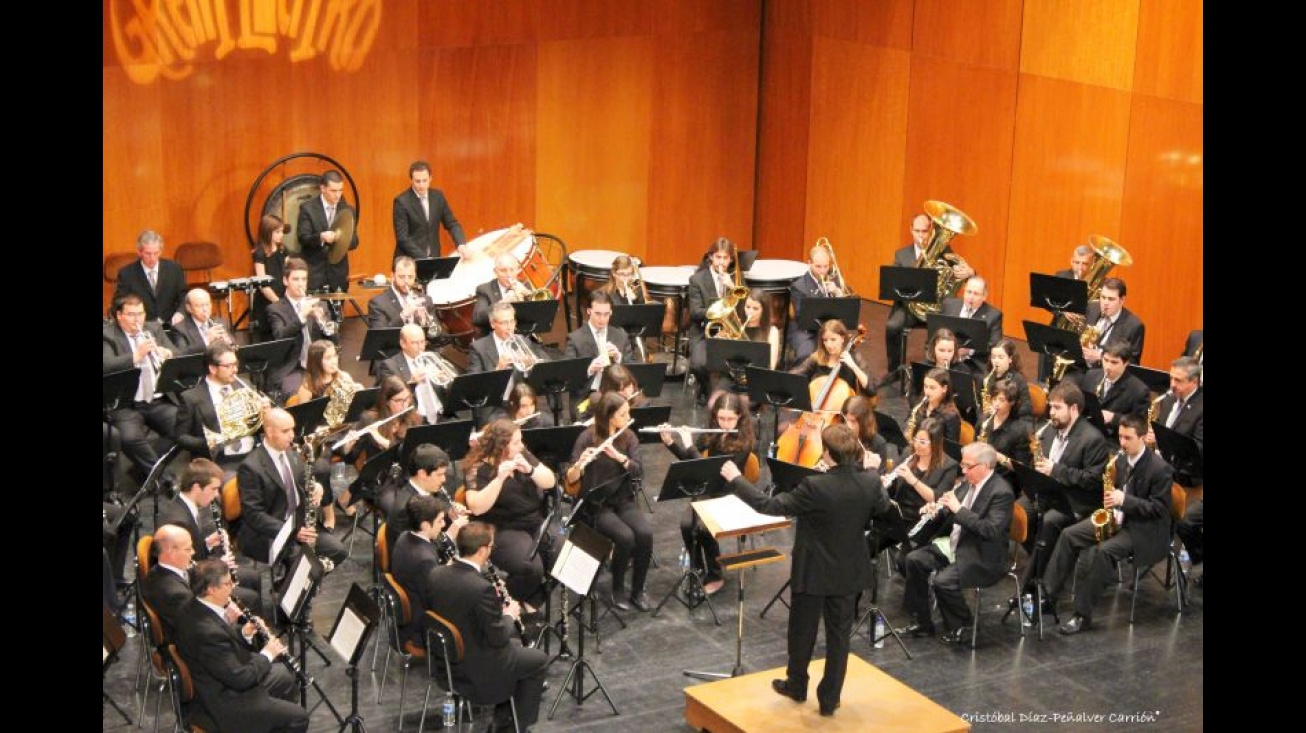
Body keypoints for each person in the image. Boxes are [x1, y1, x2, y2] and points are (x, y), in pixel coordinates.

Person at [721, 423, 893, 717]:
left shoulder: (815, 486)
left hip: (813, 570)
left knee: (802, 632)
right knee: (839, 638)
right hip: (848, 570)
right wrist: (873, 471)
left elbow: (769, 505)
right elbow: (882, 507)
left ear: (827, 453)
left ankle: (797, 685)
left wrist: (737, 479)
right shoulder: (870, 482)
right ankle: (829, 700)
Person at [1040, 415, 1172, 634]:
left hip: (1142, 528)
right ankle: (1048, 596)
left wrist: (1124, 500)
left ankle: (1082, 615)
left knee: (1104, 551)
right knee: (1069, 535)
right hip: (1115, 518)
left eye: (1128, 438)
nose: (1122, 442)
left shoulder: (1160, 469)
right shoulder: (1120, 460)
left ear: (1142, 438)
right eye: (1120, 436)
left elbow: (1159, 509)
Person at [421, 521, 550, 733]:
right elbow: (499, 637)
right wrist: (509, 615)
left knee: (519, 647)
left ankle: (504, 714)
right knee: (538, 660)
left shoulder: (437, 573)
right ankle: (514, 727)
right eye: (491, 548)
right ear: (481, 551)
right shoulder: (480, 588)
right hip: (476, 669)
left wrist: (492, 607)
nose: (491, 552)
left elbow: (463, 608)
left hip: (445, 660)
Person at [172, 559, 309, 733]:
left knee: (284, 677)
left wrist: (244, 633)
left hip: (217, 679)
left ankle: (268, 720)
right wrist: (267, 653)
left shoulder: (193, 606)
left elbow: (222, 645)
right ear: (211, 589)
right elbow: (240, 679)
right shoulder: (207, 632)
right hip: (224, 703)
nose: (233, 587)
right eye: (228, 583)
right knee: (298, 717)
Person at [899, 442, 1014, 645]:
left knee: (943, 581)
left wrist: (958, 510)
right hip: (956, 541)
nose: (963, 470)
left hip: (982, 552)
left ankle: (964, 626)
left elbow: (990, 530)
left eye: (967, 466)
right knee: (913, 559)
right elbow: (950, 509)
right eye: (963, 465)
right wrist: (936, 509)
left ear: (985, 467)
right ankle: (922, 622)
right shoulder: (968, 483)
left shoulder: (1001, 492)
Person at [1015, 382, 1110, 605]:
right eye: (1051, 407)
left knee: (1050, 522)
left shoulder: (1092, 439)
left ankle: (1040, 590)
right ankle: (1044, 565)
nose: (1052, 413)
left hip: (1076, 500)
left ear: (1074, 409)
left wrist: (1055, 470)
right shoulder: (1049, 429)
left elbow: (1093, 480)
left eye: (1057, 408)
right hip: (1048, 492)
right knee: (1018, 511)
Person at [660, 392, 757, 595]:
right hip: (709, 489)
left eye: (730, 419)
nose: (725, 423)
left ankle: (715, 574)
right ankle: (698, 569)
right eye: (721, 418)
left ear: (740, 416)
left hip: (730, 494)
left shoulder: (744, 442)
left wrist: (689, 444)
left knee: (703, 528)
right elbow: (691, 460)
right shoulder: (712, 431)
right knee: (687, 524)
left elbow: (718, 471)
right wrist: (670, 442)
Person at [565, 391, 652, 611]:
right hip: (597, 504)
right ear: (610, 416)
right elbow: (570, 479)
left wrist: (621, 458)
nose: (627, 416)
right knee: (624, 536)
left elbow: (639, 471)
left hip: (623, 499)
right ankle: (617, 589)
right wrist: (581, 464)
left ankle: (638, 590)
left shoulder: (628, 437)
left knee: (644, 533)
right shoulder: (587, 438)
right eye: (623, 414)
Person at [235, 408, 348, 569]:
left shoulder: (292, 453)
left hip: (300, 522)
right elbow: (254, 515)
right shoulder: (251, 467)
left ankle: (298, 587)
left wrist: (317, 486)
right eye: (285, 431)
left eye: (292, 429)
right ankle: (293, 587)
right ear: (270, 432)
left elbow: (304, 478)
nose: (292, 435)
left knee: (338, 552)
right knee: (301, 563)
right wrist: (292, 532)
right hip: (272, 530)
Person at [463, 418, 558, 607]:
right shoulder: (477, 468)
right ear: (500, 446)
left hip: (535, 521)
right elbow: (476, 506)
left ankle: (533, 600)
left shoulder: (521, 453)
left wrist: (530, 470)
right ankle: (503, 605)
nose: (521, 445)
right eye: (516, 442)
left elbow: (550, 482)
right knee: (531, 568)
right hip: (503, 528)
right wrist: (498, 480)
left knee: (567, 556)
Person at [156, 457, 263, 611]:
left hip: (200, 567)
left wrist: (207, 543)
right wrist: (221, 565)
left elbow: (192, 552)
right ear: (196, 487)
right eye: (213, 489)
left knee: (254, 577)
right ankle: (240, 630)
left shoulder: (187, 507)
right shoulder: (179, 521)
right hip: (193, 585)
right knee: (251, 598)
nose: (216, 495)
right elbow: (186, 568)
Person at [884, 213, 973, 385]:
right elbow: (894, 286)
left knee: (939, 333)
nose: (920, 235)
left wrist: (970, 272)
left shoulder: (944, 251)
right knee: (892, 326)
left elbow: (962, 273)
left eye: (924, 231)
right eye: (917, 231)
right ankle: (894, 370)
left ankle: (931, 373)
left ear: (930, 231)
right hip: (908, 308)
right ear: (911, 230)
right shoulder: (901, 255)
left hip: (935, 308)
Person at [103, 293, 179, 479]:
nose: (138, 319)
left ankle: (142, 470)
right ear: (119, 315)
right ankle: (165, 478)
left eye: (141, 313)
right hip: (126, 405)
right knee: (129, 438)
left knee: (184, 427)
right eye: (131, 314)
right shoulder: (107, 335)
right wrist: (136, 355)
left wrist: (166, 352)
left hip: (157, 400)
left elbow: (176, 353)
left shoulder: (153, 328)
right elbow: (106, 365)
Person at [874, 417, 960, 559]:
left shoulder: (949, 465)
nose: (917, 445)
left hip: (921, 519)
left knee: (904, 561)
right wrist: (887, 482)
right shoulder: (909, 453)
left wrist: (913, 480)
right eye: (915, 439)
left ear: (935, 443)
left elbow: (938, 499)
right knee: (869, 544)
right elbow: (894, 487)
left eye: (923, 442)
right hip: (897, 514)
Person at [390, 493, 466, 648]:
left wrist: (452, 532)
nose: (443, 524)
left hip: (411, 605)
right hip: (421, 626)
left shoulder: (406, 536)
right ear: (425, 525)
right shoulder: (424, 560)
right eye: (440, 521)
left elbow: (431, 549)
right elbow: (434, 599)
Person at [265, 257, 334, 398]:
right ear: (285, 281)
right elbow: (280, 335)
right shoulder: (275, 309)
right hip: (292, 368)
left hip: (319, 365)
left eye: (304, 279)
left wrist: (322, 321)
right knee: (302, 395)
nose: (301, 284)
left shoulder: (319, 305)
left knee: (342, 390)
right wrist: (301, 316)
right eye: (296, 279)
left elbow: (334, 340)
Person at [563, 291, 633, 419]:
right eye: (598, 314)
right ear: (589, 311)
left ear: (611, 312)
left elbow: (633, 372)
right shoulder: (575, 339)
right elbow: (567, 377)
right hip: (588, 396)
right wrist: (589, 370)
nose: (602, 319)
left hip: (618, 395)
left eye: (606, 314)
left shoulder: (621, 336)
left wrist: (619, 359)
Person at [686, 238, 739, 405]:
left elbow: (747, 306)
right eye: (718, 257)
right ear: (711, 257)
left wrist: (732, 288)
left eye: (725, 258)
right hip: (704, 331)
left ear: (731, 259)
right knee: (700, 363)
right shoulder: (697, 280)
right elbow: (695, 312)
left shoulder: (736, 279)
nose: (721, 262)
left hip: (730, 331)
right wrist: (719, 313)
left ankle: (726, 395)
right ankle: (708, 390)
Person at [375, 323, 456, 424]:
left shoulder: (433, 357)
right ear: (403, 343)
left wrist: (445, 381)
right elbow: (385, 396)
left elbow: (452, 386)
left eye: (422, 342)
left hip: (442, 414)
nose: (420, 347)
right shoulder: (389, 366)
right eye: (415, 343)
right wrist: (411, 382)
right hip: (415, 420)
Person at [467, 302, 547, 400]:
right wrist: (498, 369)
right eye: (504, 323)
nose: (509, 327)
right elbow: (472, 386)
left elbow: (541, 374)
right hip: (495, 402)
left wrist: (529, 367)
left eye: (512, 321)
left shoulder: (524, 341)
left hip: (521, 401)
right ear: (493, 324)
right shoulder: (478, 347)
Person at [385, 444, 453, 559]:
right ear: (422, 474)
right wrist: (451, 534)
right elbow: (416, 551)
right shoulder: (404, 509)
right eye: (439, 474)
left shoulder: (430, 491)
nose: (444, 479)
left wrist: (450, 514)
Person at [296, 169, 358, 294]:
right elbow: (302, 237)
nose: (338, 195)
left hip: (338, 274)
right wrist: (321, 237)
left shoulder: (348, 210)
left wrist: (341, 238)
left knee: (337, 313)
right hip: (315, 273)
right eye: (333, 190)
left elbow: (355, 242)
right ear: (323, 188)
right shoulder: (307, 208)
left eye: (340, 190)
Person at [785, 242, 847, 366]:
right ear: (809, 263)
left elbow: (847, 305)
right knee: (805, 355)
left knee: (847, 352)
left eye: (826, 266)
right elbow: (801, 316)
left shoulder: (834, 280)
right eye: (818, 266)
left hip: (830, 329)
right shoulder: (799, 286)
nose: (823, 271)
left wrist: (836, 291)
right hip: (806, 330)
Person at [1145, 356, 1203, 488]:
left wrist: (1162, 439)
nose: (1172, 385)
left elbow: (1199, 449)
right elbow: (1160, 425)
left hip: (1186, 474)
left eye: (1178, 380)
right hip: (1163, 462)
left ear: (1194, 381)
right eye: (1171, 378)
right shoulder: (1169, 398)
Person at [392, 160, 466, 261]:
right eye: (417, 181)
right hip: (409, 262)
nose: (421, 185)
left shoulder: (438, 197)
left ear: (430, 178)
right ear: (411, 180)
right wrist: (425, 259)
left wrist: (461, 244)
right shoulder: (402, 202)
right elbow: (402, 238)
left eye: (424, 180)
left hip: (434, 258)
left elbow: (452, 224)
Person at [113, 229, 187, 325]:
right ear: (139, 252)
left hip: (172, 324)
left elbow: (183, 295)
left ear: (161, 251)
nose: (152, 258)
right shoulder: (127, 274)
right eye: (148, 254)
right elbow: (119, 303)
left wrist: (180, 313)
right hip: (142, 326)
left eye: (156, 253)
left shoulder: (174, 269)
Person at [1079, 342, 1151, 440]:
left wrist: (1114, 418)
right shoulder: (1091, 375)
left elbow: (1140, 424)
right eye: (1106, 360)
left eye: (1114, 362)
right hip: (1086, 431)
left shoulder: (1139, 390)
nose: (1108, 366)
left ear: (1126, 363)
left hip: (1113, 440)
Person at [140, 524, 199, 638]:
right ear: (171, 551)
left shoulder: (157, 571)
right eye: (188, 549)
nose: (193, 552)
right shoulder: (177, 594)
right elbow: (197, 628)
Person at [788, 319, 872, 397]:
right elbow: (796, 374)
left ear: (842, 338)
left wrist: (853, 366)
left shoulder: (854, 357)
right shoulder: (817, 357)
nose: (829, 345)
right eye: (825, 340)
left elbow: (871, 389)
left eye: (833, 339)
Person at [938, 276, 1003, 375]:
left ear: (984, 296)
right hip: (945, 355)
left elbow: (994, 345)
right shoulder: (949, 304)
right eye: (969, 292)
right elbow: (937, 332)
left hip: (973, 361)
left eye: (976, 294)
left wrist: (969, 351)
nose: (971, 297)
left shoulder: (993, 315)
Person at [976, 382, 1033, 491]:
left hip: (1003, 478)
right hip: (981, 470)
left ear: (1011, 402)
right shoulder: (984, 421)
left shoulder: (1019, 430)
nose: (996, 403)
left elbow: (1022, 468)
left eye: (1001, 400)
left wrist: (998, 457)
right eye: (994, 399)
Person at [1079, 277, 1146, 369]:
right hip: (1081, 368)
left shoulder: (1134, 326)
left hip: (1106, 374)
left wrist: (1100, 357)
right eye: (1103, 297)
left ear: (1122, 300)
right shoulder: (1091, 308)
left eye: (1111, 299)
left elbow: (1132, 364)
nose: (1105, 303)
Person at [366, 255, 436, 331]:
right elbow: (379, 337)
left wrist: (424, 322)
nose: (406, 281)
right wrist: (404, 315)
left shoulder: (426, 300)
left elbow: (437, 335)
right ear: (392, 276)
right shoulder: (378, 303)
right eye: (402, 277)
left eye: (410, 277)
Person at [251, 214, 289, 340]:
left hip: (283, 296)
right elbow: (263, 284)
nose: (281, 235)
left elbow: (289, 273)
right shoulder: (260, 253)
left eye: (282, 231)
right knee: (269, 337)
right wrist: (278, 303)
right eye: (277, 232)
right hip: (266, 301)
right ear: (267, 232)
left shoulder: (283, 250)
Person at [472, 253, 534, 330]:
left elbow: (535, 314)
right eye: (503, 270)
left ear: (518, 270)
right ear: (495, 271)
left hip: (524, 333)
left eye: (512, 270)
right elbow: (477, 319)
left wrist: (527, 294)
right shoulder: (484, 289)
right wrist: (504, 302)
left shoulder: (524, 284)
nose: (509, 275)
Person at [903, 368, 962, 446]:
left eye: (932, 388)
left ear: (944, 389)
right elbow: (906, 424)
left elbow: (950, 447)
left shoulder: (951, 416)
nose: (927, 391)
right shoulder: (920, 405)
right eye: (925, 386)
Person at [839, 395, 896, 471]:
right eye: (846, 420)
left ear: (864, 422)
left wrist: (871, 468)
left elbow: (878, 478)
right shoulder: (838, 437)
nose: (848, 426)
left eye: (853, 421)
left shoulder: (877, 443)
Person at [983, 338, 1034, 419]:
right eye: (993, 357)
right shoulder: (987, 376)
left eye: (1000, 357)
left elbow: (1026, 408)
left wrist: (1000, 410)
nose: (996, 361)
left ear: (1010, 359)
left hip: (1010, 421)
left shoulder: (1018, 380)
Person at [173, 287, 232, 354]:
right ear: (189, 308)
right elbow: (181, 354)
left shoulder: (221, 322)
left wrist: (228, 343)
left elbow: (234, 346)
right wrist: (206, 340)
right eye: (199, 306)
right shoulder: (179, 329)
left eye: (207, 304)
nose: (205, 309)